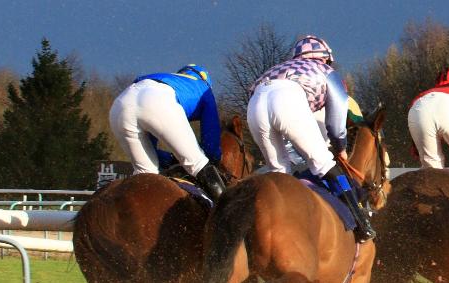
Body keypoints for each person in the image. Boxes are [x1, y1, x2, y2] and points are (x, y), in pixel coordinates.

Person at [246, 35, 375, 242]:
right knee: (324, 164)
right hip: (286, 99)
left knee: (280, 174)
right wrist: (340, 145)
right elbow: (336, 118)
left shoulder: (278, 68)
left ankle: (281, 231)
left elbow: (253, 93)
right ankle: (361, 223)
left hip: (255, 104)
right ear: (325, 58)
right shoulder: (327, 71)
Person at [107, 64, 228, 198]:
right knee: (198, 164)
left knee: (147, 174)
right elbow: (211, 139)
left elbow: (150, 147)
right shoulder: (204, 88)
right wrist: (214, 159)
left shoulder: (168, 78)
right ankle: (228, 214)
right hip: (157, 100)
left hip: (120, 104)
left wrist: (170, 159)